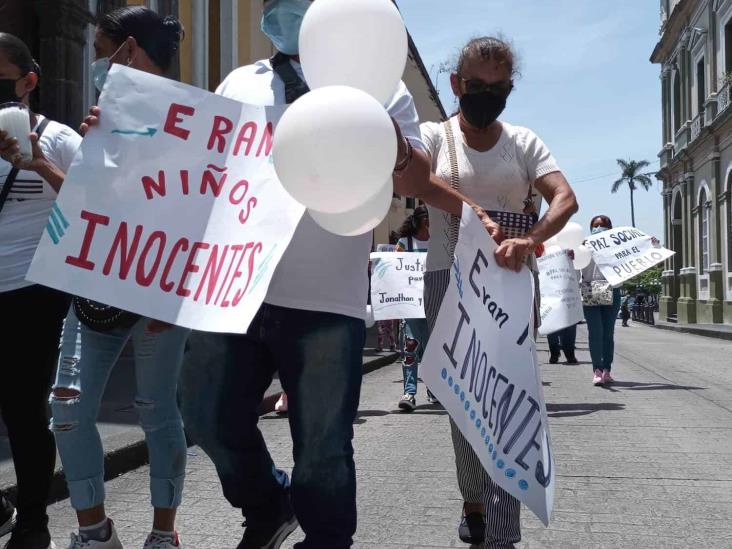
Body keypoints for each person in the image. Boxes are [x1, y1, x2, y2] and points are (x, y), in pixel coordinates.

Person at [176, 2, 504, 548]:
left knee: (323, 446)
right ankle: (267, 505)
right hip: (235, 288)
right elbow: (201, 168)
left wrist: (380, 136)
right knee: (206, 414)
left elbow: (418, 179)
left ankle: (327, 540)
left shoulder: (381, 87)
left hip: (328, 301)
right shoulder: (240, 82)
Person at [420, 37, 578, 548]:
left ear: (510, 89)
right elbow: (414, 177)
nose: (486, 94)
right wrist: (478, 214)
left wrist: (530, 240)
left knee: (506, 400)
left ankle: (500, 531)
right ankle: (474, 501)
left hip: (509, 286)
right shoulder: (434, 136)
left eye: (498, 87)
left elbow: (564, 199)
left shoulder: (523, 142)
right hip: (448, 282)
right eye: (476, 85)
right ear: (455, 85)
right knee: (462, 402)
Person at [49, 8, 188, 549]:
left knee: (155, 409)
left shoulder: (190, 119)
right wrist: (91, 153)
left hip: (157, 288)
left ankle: (162, 532)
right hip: (96, 286)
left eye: (103, 50)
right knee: (66, 407)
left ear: (128, 49)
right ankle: (95, 532)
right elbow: (94, 202)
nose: (99, 63)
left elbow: (195, 209)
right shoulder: (105, 113)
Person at [0, 32, 81, 549]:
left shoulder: (57, 138)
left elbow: (93, 204)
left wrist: (35, 163)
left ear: (29, 82)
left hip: (32, 292)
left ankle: (32, 522)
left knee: (24, 410)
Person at [394, 206, 430, 411]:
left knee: (433, 350)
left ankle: (435, 389)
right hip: (412, 307)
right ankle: (409, 392)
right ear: (425, 221)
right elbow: (394, 272)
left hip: (434, 305)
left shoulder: (439, 243)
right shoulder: (404, 244)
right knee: (410, 348)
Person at [581, 215, 622, 386]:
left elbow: (638, 253)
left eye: (603, 225)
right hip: (590, 289)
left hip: (612, 290)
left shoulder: (619, 245)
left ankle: (607, 370)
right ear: (590, 228)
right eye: (596, 225)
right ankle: (596, 370)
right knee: (595, 332)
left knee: (608, 333)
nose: (599, 228)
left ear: (610, 228)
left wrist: (651, 242)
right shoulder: (583, 245)